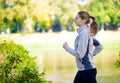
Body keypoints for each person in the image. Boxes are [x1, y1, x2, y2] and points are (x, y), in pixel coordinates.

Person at [63, 11, 103, 83]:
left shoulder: (84, 33)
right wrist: (90, 54)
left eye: (77, 18)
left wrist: (67, 48)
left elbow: (79, 54)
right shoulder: (86, 32)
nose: (75, 20)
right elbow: (100, 47)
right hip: (83, 70)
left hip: (87, 71)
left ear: (83, 20)